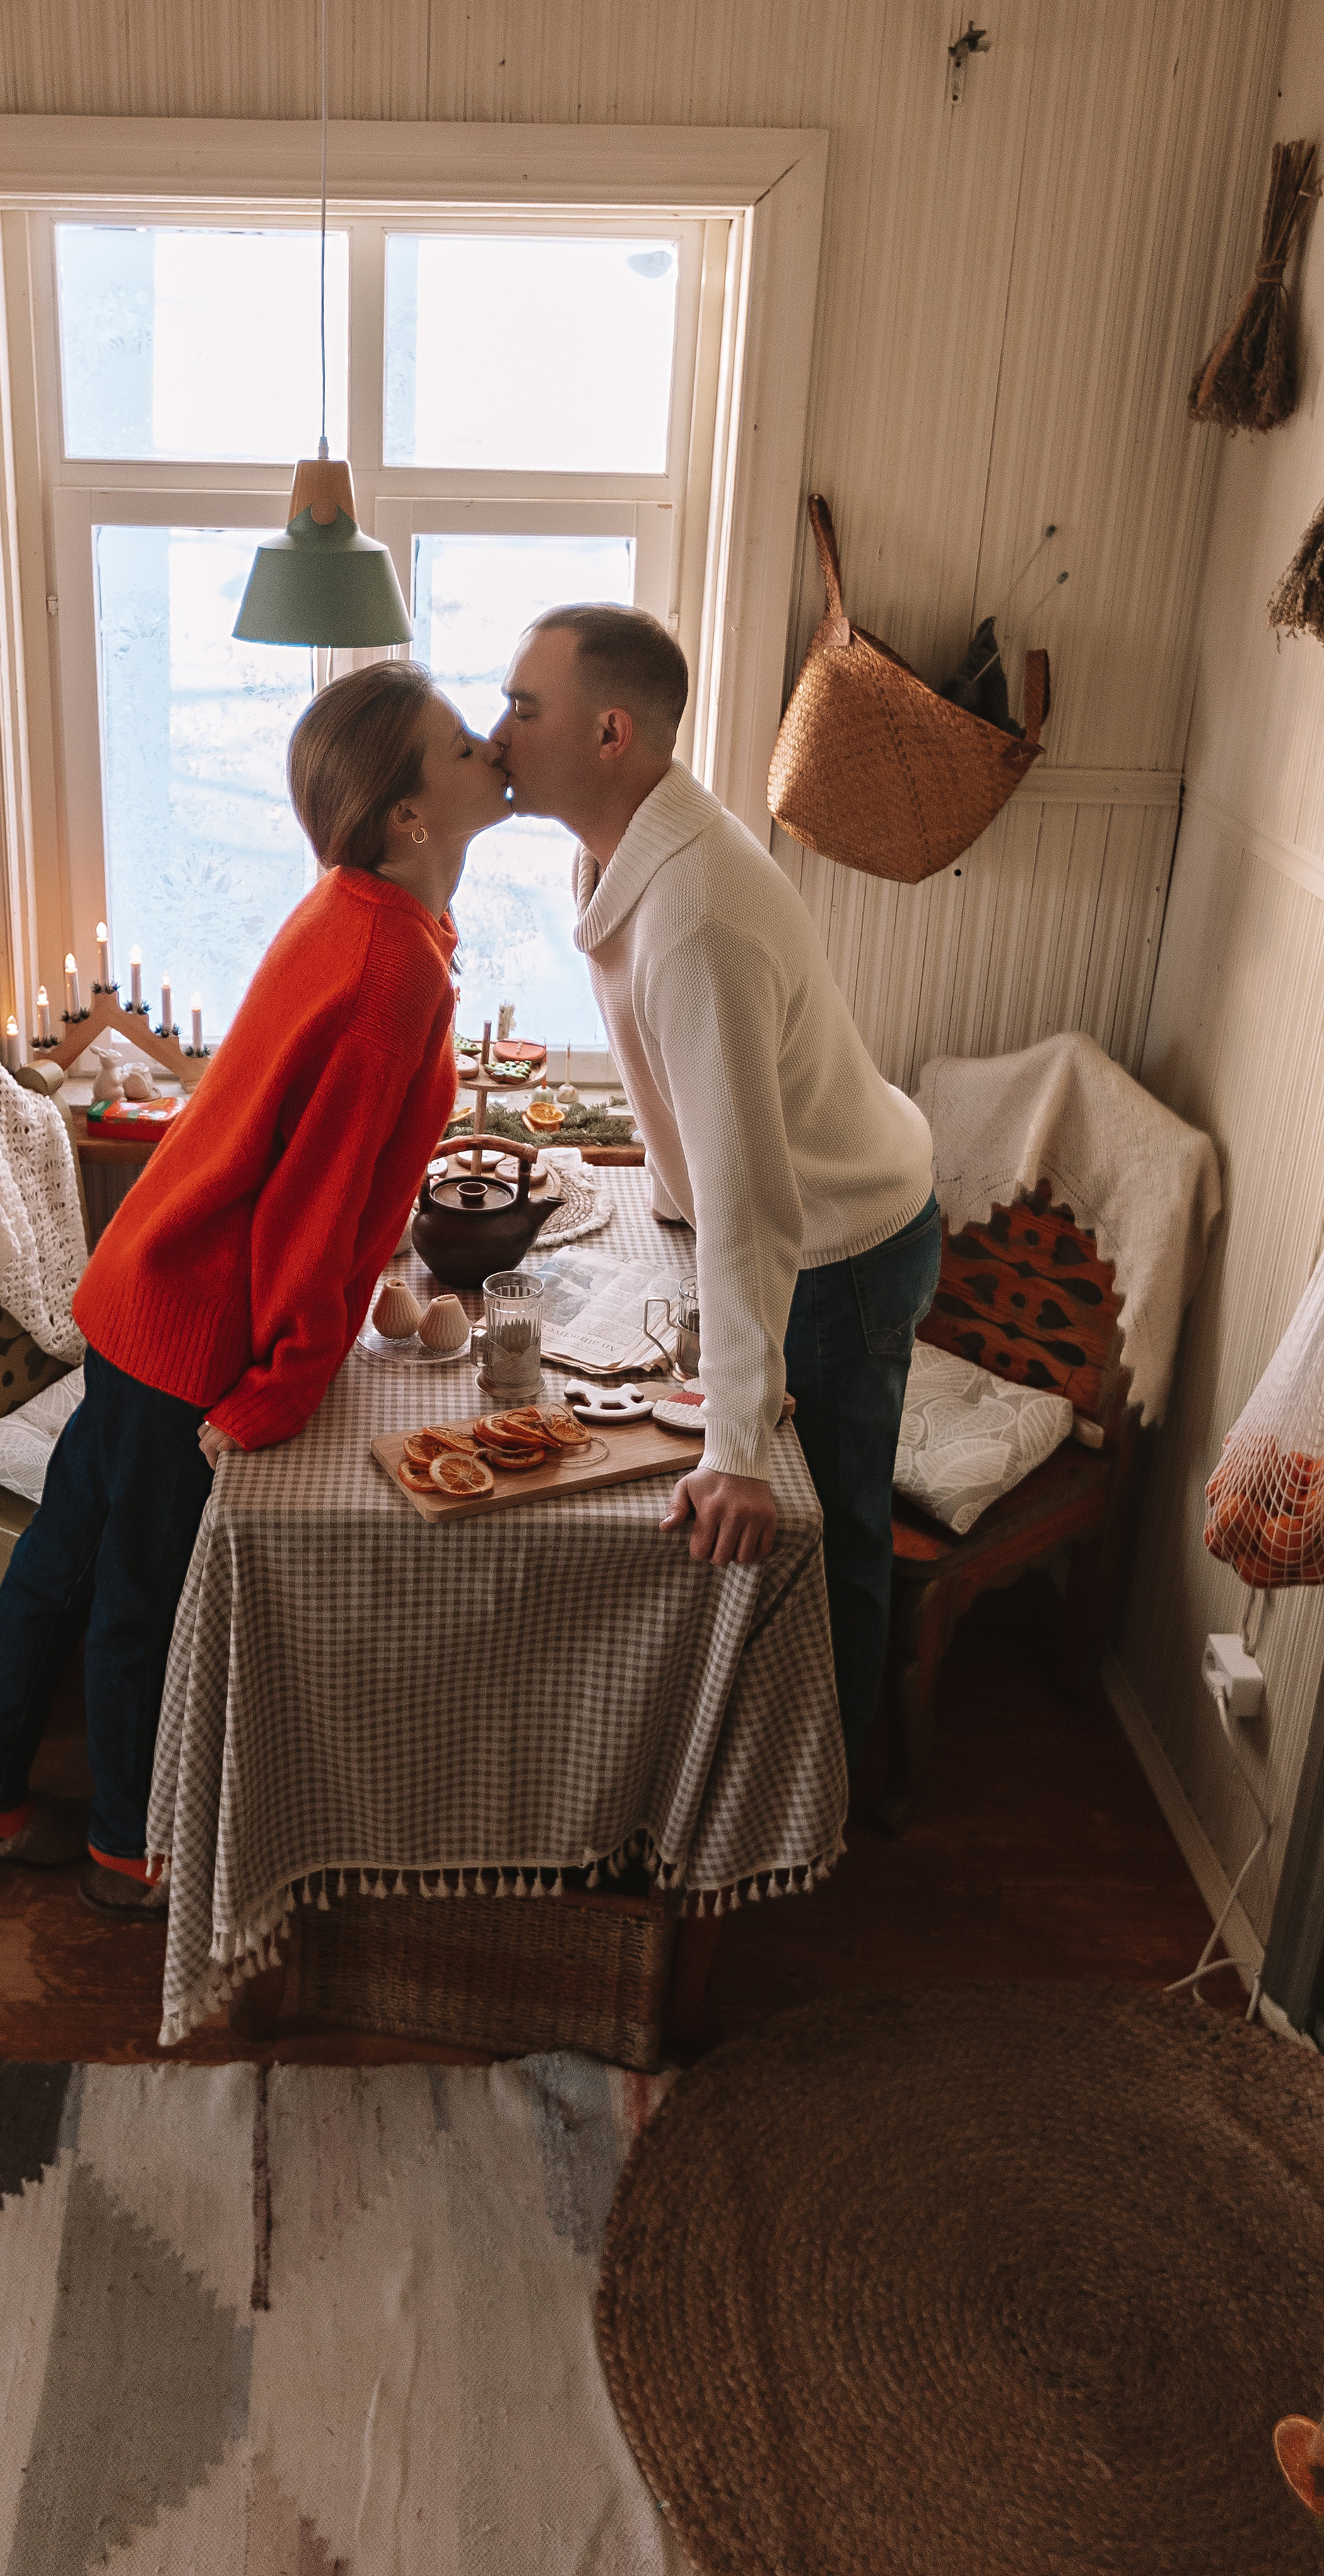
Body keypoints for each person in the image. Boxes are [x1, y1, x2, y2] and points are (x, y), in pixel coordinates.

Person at [0, 661, 510, 1911]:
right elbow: (318, 1199)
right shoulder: (387, 962)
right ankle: (129, 1856)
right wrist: (289, 1378)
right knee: (139, 1587)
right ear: (409, 813)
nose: (490, 746)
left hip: (153, 1287)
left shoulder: (367, 914)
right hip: (191, 1320)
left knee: (67, 1554)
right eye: (462, 744)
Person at [491, 604, 939, 1779]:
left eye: (523, 707)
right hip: (793, 1219)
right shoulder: (616, 849)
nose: (498, 732)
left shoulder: (696, 914)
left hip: (846, 1249)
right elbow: (692, 1114)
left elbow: (754, 1198)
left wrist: (736, 1446)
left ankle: (831, 1792)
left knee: (831, 1531)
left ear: (609, 733)